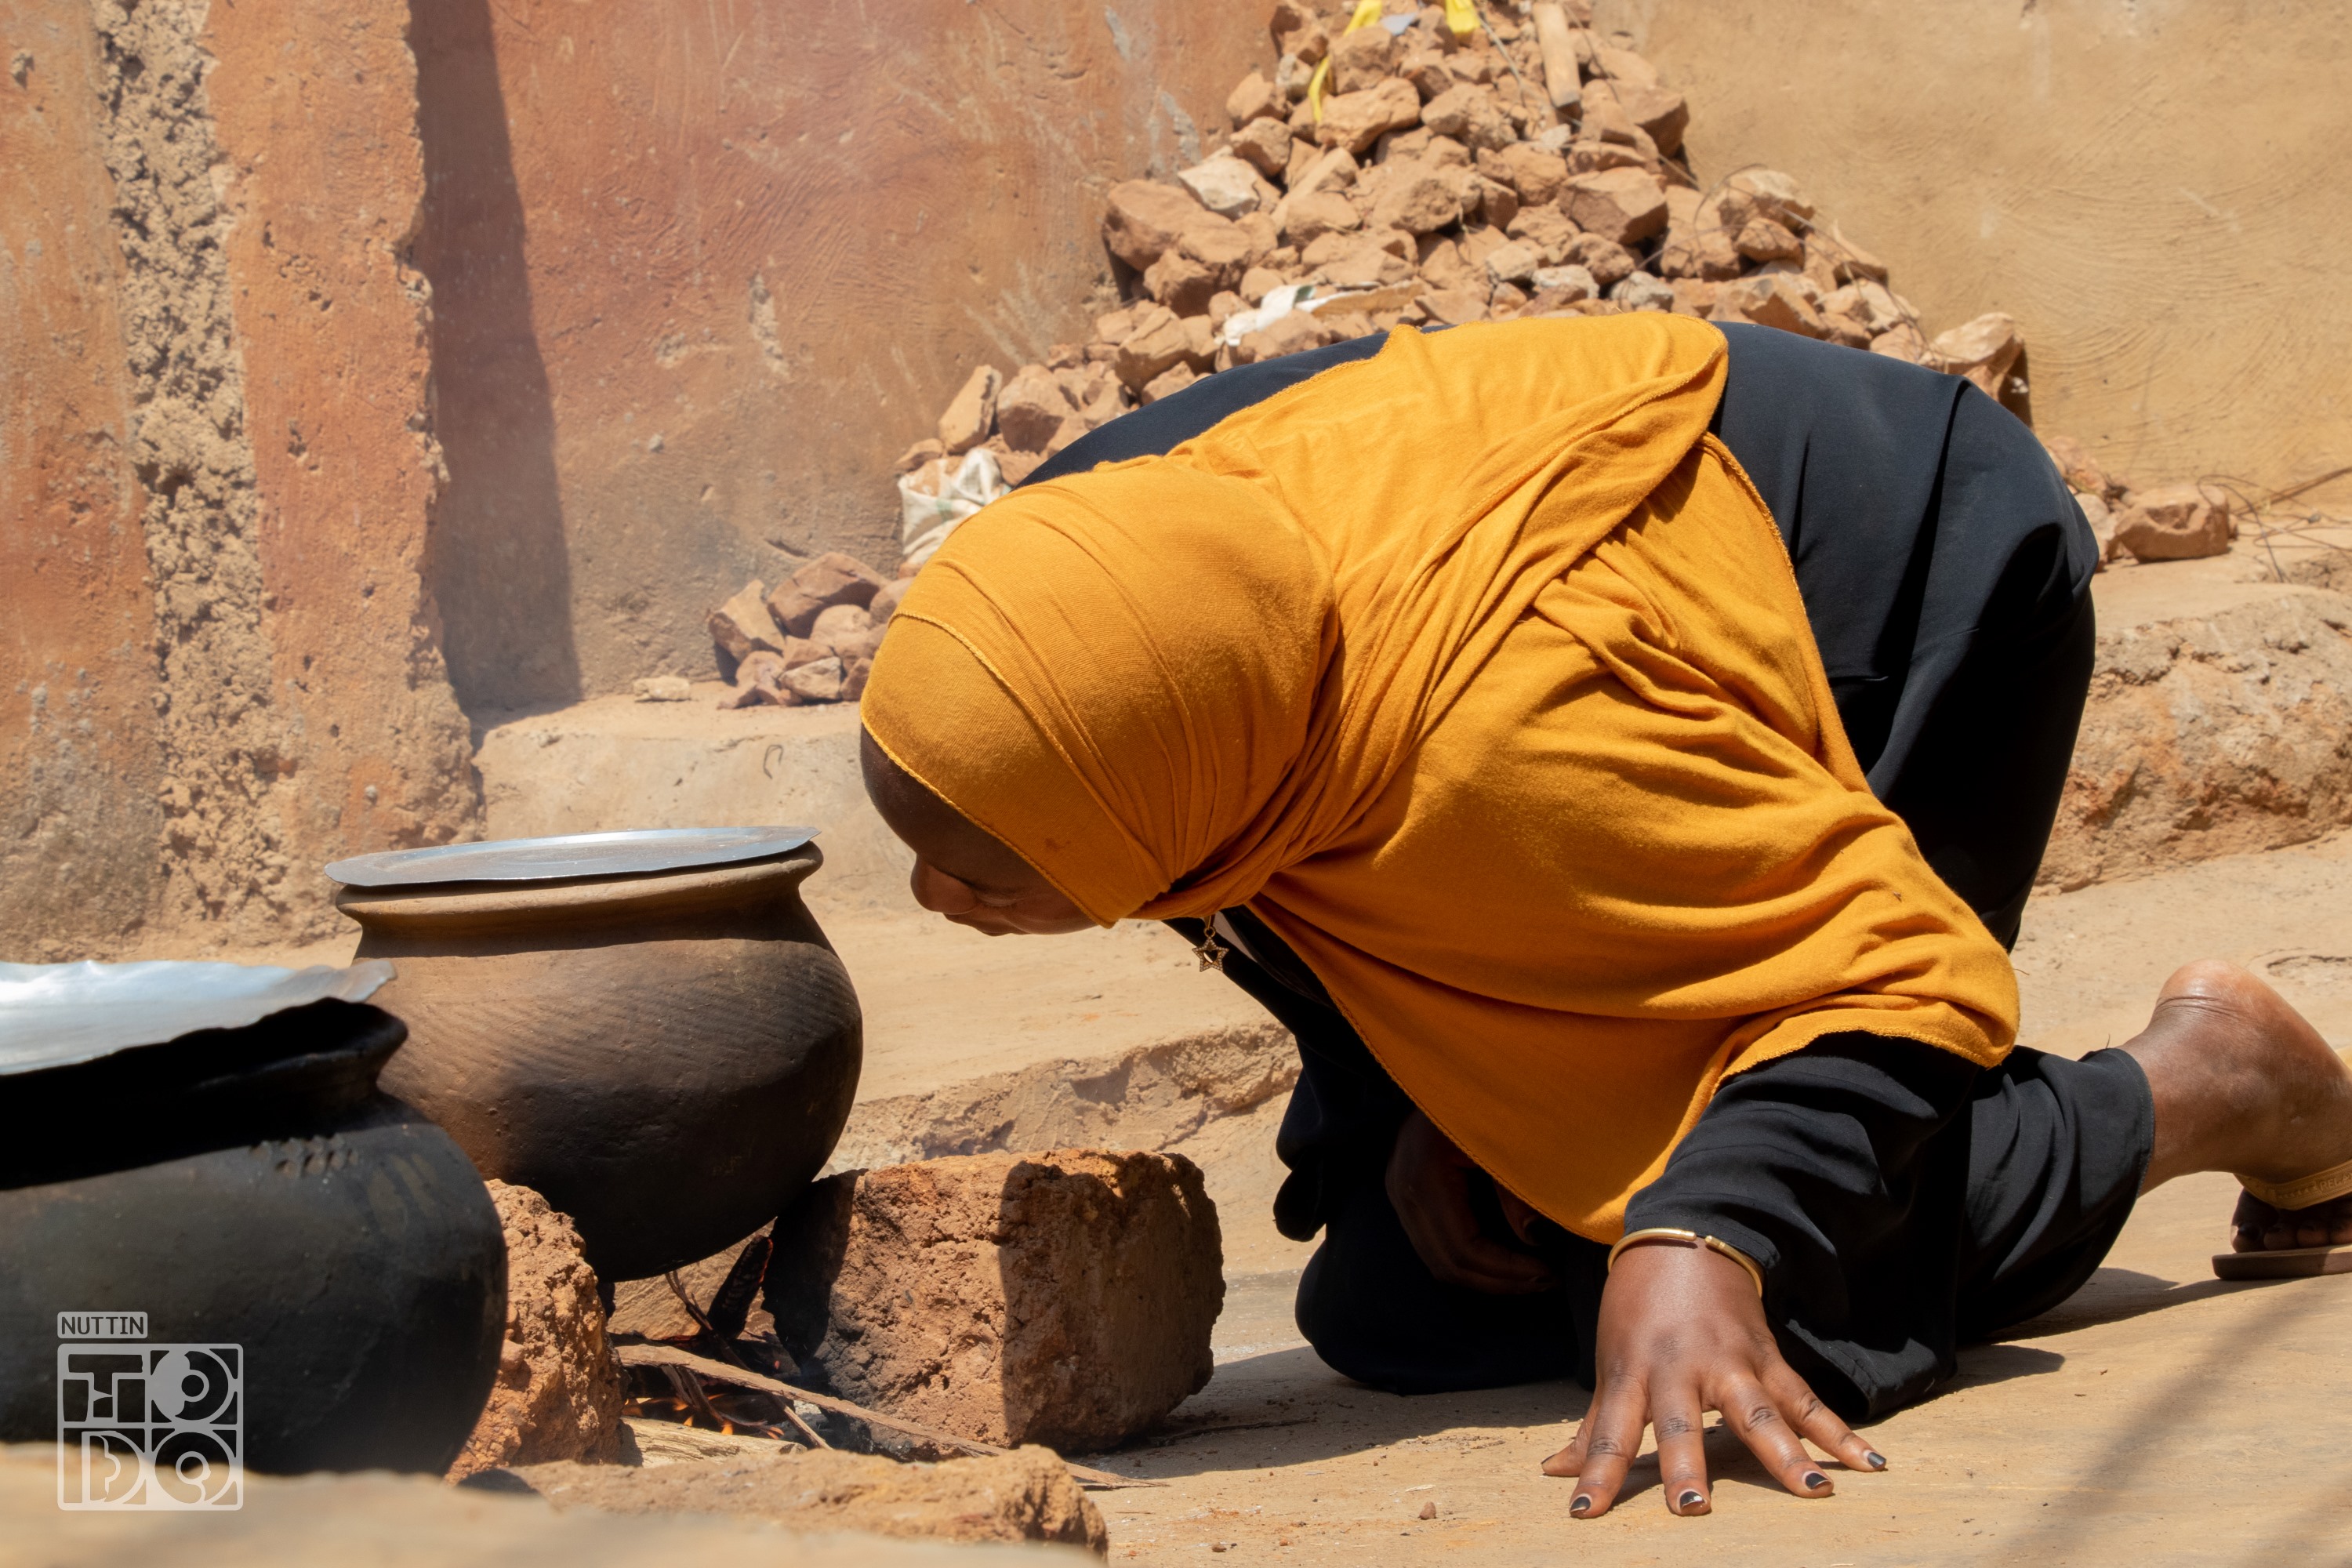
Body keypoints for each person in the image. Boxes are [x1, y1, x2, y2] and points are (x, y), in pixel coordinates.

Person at [855, 314, 2352, 1520]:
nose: (944, 907)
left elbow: (1891, 967)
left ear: (1174, 784)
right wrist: (1422, 1094)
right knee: (1403, 1303)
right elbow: (1322, 886)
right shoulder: (1092, 607)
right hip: (1546, 674)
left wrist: (1706, 1228)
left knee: (1800, 1309)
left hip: (1900, 605)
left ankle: (2209, 1081)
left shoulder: (1514, 752)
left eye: (991, 877)